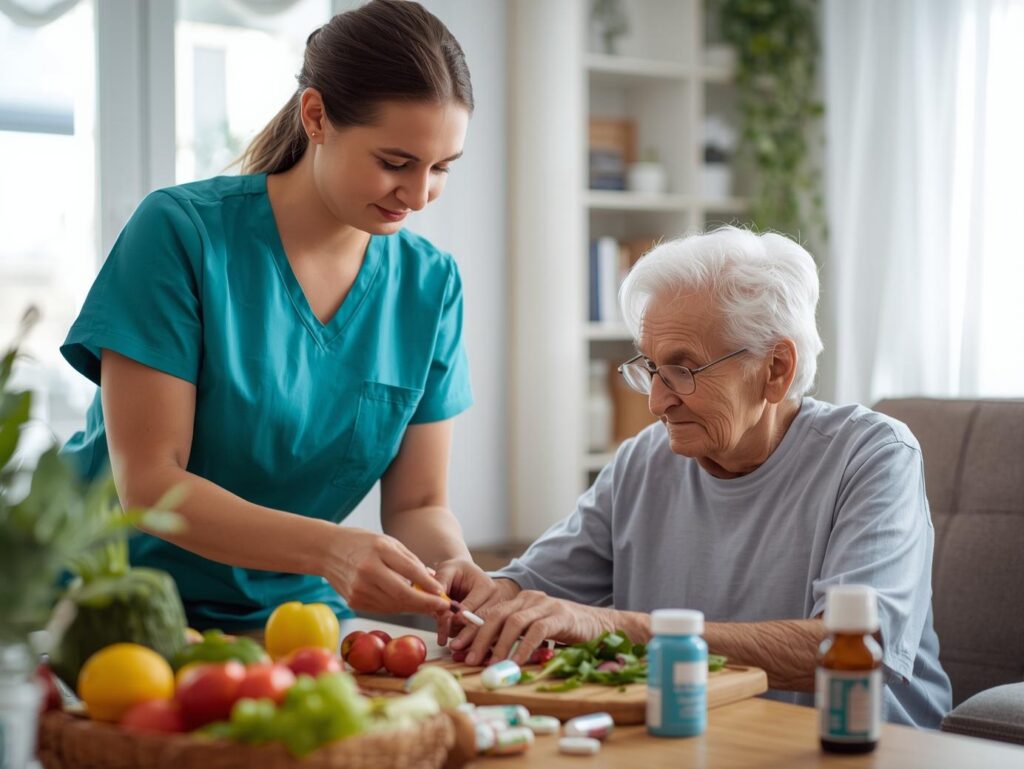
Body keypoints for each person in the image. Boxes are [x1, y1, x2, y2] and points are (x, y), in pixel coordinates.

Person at [60, 0, 492, 631]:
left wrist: (454, 564)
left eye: (442, 169)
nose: (420, 194)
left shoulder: (432, 285)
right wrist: (332, 550)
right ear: (315, 116)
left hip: (290, 614)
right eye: (395, 163)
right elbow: (149, 486)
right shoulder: (181, 234)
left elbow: (420, 503)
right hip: (110, 604)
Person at [441, 227, 952, 728]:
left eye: (683, 370)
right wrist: (486, 593)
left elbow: (857, 648)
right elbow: (537, 587)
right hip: (693, 739)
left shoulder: (872, 455)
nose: (656, 402)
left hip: (860, 750)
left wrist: (617, 627)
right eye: (650, 368)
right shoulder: (644, 459)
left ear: (775, 368)